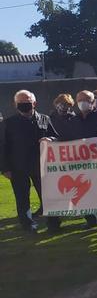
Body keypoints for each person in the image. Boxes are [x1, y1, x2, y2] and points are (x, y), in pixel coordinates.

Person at [60, 90, 97, 229]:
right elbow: (65, 139)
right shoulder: (73, 120)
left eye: (85, 99)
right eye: (79, 100)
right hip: (81, 164)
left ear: (93, 102)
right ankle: (91, 219)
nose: (82, 103)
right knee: (83, 191)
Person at [1, 91, 56, 232]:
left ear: (34, 103)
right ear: (15, 105)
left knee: (48, 195)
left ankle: (53, 222)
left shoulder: (45, 119)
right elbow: (3, 147)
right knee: (22, 198)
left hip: (42, 166)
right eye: (21, 103)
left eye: (27, 102)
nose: (24, 105)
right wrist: (5, 168)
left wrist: (50, 139)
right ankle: (27, 224)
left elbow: (56, 137)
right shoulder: (8, 123)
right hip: (18, 167)